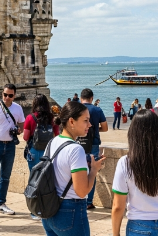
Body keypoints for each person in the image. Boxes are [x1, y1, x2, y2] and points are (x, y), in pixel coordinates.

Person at [41, 101, 105, 236]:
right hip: (70, 211)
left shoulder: (53, 142)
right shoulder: (76, 149)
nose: (90, 124)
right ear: (71, 121)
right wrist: (93, 170)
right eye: (86, 120)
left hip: (49, 209)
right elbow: (81, 192)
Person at [0, 84, 25, 220]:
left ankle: (1, 203)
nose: (7, 98)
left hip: (10, 146)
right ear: (2, 94)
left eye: (10, 95)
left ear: (14, 96)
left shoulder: (18, 108)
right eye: (5, 95)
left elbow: (22, 126)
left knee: (5, 177)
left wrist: (18, 130)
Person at [23, 94, 60, 220]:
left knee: (34, 181)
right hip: (48, 154)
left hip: (34, 152)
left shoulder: (30, 118)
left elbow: (25, 137)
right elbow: (57, 135)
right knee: (48, 182)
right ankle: (47, 208)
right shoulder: (52, 118)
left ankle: (34, 212)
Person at [78, 88, 108, 210]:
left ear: (81, 98)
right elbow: (105, 128)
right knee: (92, 172)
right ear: (92, 98)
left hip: (78, 143)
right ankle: (89, 201)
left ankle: (79, 198)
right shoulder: (97, 110)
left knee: (78, 170)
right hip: (94, 144)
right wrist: (95, 130)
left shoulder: (77, 109)